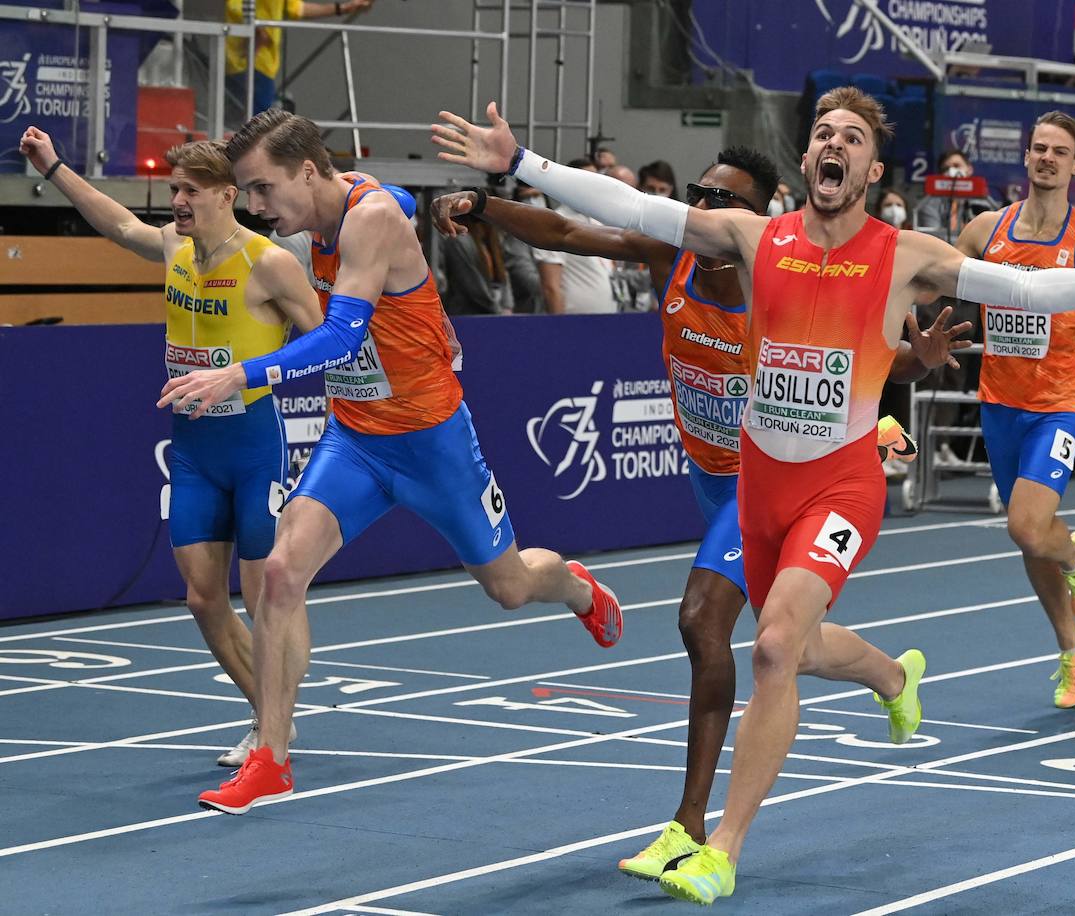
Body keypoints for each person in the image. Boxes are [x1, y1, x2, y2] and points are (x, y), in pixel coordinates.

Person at [431, 87, 1075, 904]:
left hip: (841, 488)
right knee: (801, 648)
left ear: (870, 168)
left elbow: (1019, 290)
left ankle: (722, 847)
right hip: (761, 488)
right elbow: (631, 206)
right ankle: (893, 677)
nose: (832, 145)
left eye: (850, 136)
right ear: (808, 160)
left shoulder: (905, 251)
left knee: (773, 645)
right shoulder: (753, 235)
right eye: (821, 134)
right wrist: (519, 165)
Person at [430, 147, 954, 882]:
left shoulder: (773, 274)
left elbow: (859, 350)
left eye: (723, 198)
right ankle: (893, 677)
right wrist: (484, 207)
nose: (705, 207)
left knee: (703, 622)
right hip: (710, 479)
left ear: (763, 211)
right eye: (698, 191)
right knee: (791, 643)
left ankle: (690, 828)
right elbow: (574, 236)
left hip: (764, 479)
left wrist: (914, 362)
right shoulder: (674, 253)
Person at [160, 109, 624, 815]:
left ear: (307, 172)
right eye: (247, 194)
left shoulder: (367, 218)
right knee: (282, 571)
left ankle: (580, 588)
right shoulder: (329, 215)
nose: (255, 208)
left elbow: (344, 337)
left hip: (431, 442)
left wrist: (242, 376)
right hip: (356, 439)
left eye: (261, 190)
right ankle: (271, 757)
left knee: (508, 585)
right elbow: (398, 202)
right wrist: (420, 204)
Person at [19, 126, 322, 766]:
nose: (177, 200)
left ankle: (274, 728)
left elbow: (321, 342)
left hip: (253, 444)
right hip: (192, 448)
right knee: (202, 599)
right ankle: (270, 720)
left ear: (227, 194)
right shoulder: (175, 247)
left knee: (268, 594)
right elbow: (117, 223)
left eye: (190, 190)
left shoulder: (268, 262)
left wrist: (245, 374)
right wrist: (54, 169)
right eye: (174, 188)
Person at [954, 110, 1075, 711]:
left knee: (1029, 527)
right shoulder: (984, 230)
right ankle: (1072, 647)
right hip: (1000, 402)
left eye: (1058, 152)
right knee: (1027, 538)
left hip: (1061, 402)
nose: (1046, 158)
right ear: (1026, 157)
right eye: (1038, 148)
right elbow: (930, 278)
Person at [225, 0, 374, 118]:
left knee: (251, 125)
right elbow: (235, 5)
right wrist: (258, 30)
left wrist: (343, 8)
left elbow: (297, 8)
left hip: (261, 62)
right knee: (255, 130)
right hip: (246, 60)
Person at [529, 158, 617, 314]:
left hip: (608, 319)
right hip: (574, 323)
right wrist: (561, 330)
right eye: (589, 180)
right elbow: (551, 287)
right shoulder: (555, 223)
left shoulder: (599, 221)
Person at [915, 149, 997, 242]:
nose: (951, 171)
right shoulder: (929, 204)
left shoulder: (983, 203)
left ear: (969, 169)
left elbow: (987, 238)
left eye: (956, 166)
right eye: (945, 169)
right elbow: (933, 240)